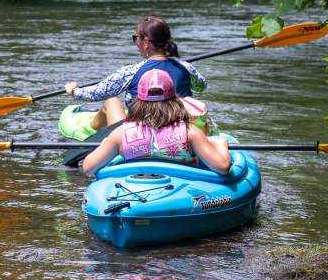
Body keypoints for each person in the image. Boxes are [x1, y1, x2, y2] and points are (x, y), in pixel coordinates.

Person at [65, 16, 206, 130]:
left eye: (135, 38)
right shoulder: (186, 67)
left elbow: (96, 93)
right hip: (181, 127)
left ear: (145, 42)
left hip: (141, 131)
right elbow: (201, 86)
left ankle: (90, 130)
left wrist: (74, 91)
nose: (135, 43)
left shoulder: (130, 72)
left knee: (112, 102)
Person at [81, 69, 230, 176]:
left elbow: (88, 168)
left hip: (135, 190)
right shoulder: (189, 133)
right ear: (175, 101)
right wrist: (220, 145)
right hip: (178, 191)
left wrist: (106, 143)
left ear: (138, 101)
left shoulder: (120, 135)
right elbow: (222, 167)